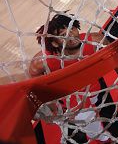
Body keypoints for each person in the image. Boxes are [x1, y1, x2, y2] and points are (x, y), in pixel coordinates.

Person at [29, 14, 111, 142]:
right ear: (55, 43)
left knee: (96, 108)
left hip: (94, 89)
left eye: (72, 28)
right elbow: (33, 72)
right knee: (93, 127)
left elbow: (113, 54)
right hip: (71, 99)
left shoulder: (94, 40)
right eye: (62, 35)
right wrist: (46, 99)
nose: (70, 34)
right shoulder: (44, 60)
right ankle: (103, 139)